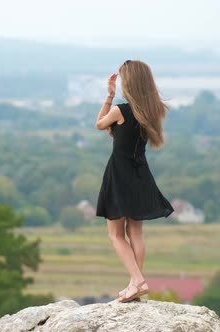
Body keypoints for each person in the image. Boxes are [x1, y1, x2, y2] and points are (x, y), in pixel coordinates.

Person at [95, 60, 174, 303]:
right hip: (140, 174)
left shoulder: (120, 110)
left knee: (115, 234)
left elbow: (99, 124)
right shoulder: (153, 110)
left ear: (129, 83)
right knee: (135, 232)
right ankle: (134, 283)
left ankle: (137, 281)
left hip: (120, 174)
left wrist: (108, 96)